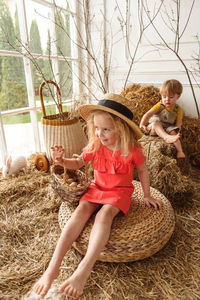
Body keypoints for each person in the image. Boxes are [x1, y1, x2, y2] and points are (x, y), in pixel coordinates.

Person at [33, 93, 162, 299]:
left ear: (120, 128)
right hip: (97, 188)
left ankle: (84, 269)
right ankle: (53, 267)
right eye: (97, 128)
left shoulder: (132, 149)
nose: (100, 133)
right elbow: (78, 164)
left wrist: (146, 194)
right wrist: (61, 160)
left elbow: (144, 171)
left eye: (106, 129)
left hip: (119, 193)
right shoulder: (96, 145)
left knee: (104, 216)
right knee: (81, 210)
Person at [139, 79, 185, 158]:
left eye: (171, 97)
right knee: (156, 124)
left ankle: (180, 151)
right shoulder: (159, 105)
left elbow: (179, 123)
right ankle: (166, 138)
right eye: (164, 97)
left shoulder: (178, 109)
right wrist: (142, 124)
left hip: (167, 127)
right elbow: (148, 114)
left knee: (174, 132)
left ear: (178, 96)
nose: (167, 99)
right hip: (154, 128)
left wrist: (178, 132)